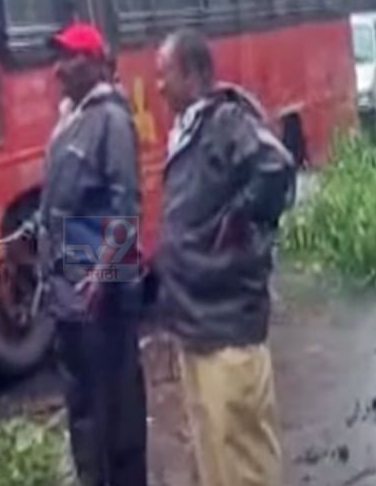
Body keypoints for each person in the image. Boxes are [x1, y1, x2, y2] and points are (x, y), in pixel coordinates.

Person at [155, 29, 295, 486]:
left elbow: (277, 167)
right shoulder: (188, 129)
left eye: (166, 75)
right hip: (197, 326)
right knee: (213, 454)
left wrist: (237, 222)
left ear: (195, 74)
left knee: (243, 457)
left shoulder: (226, 121)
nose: (158, 86)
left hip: (228, 326)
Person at [38, 22, 147, 486]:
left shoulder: (112, 121)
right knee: (82, 407)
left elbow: (126, 207)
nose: (59, 68)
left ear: (97, 63)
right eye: (58, 57)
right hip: (70, 289)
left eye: (70, 58)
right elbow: (59, 203)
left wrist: (102, 274)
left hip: (101, 292)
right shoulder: (70, 117)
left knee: (116, 409)